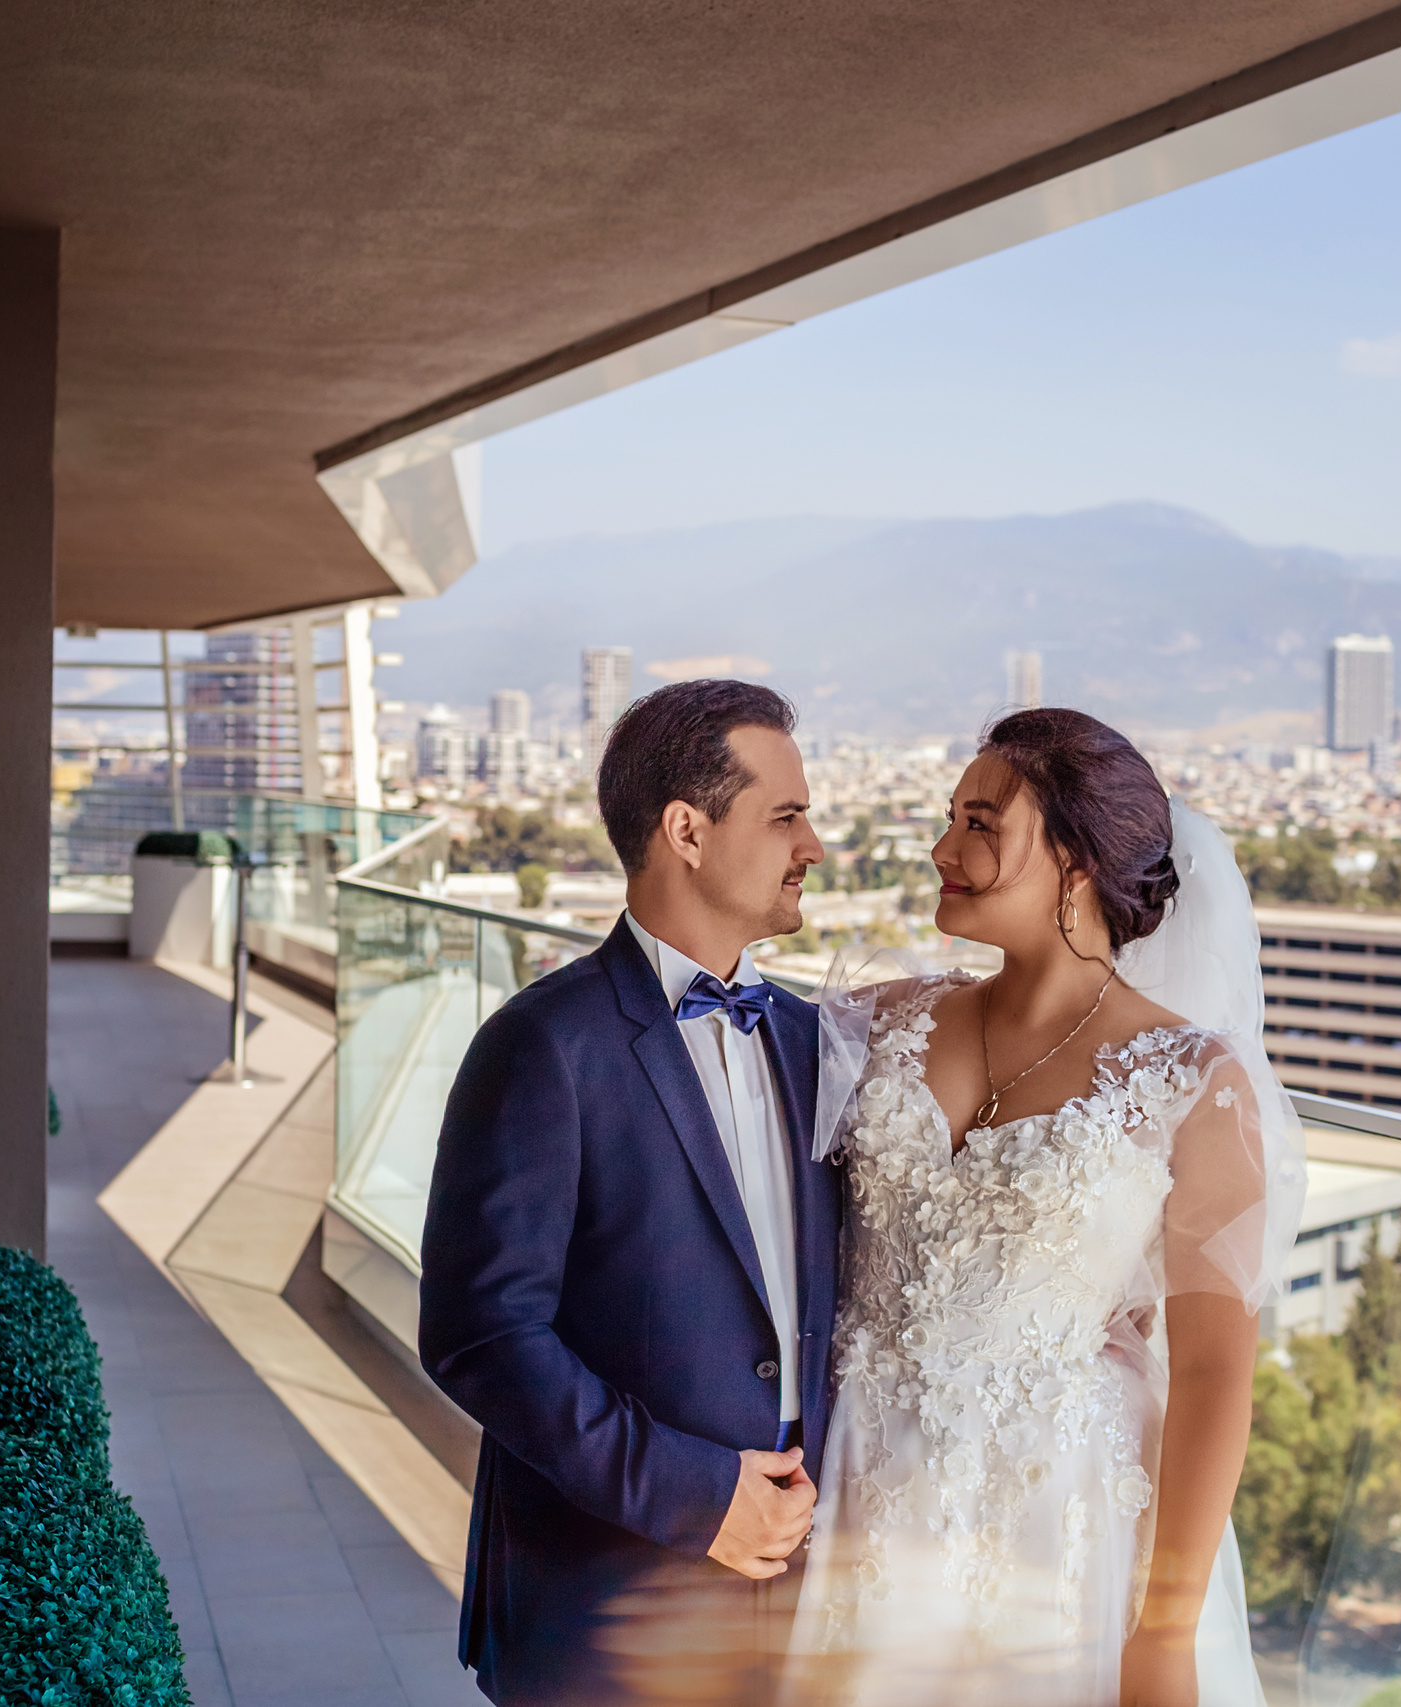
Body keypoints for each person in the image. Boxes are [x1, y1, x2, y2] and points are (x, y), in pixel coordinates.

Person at [787, 708, 1307, 1706]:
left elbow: (1208, 1373)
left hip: (1052, 1519)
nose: (942, 847)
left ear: (1075, 861)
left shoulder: (1194, 1082)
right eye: (951, 817)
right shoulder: (872, 1022)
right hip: (849, 1483)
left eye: (981, 824)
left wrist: (1164, 1632)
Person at [419, 680, 843, 1705]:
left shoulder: (815, 1042)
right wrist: (698, 1499)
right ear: (687, 831)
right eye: (786, 815)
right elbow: (482, 1336)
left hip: (800, 1601)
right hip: (604, 1606)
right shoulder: (538, 1047)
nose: (815, 845)